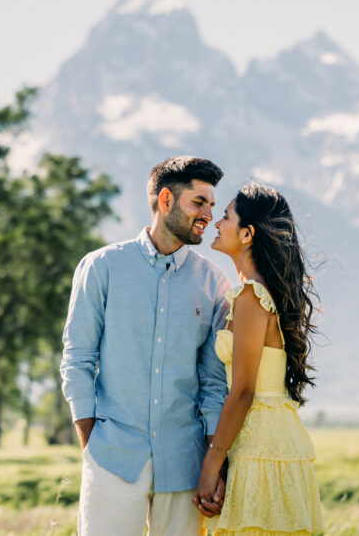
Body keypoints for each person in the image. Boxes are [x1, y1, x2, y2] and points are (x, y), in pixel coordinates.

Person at [61, 156, 233, 536]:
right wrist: (91, 444)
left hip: (185, 463)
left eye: (211, 204)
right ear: (167, 200)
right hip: (113, 457)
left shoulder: (213, 283)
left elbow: (213, 382)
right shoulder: (101, 267)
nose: (208, 214)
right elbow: (78, 359)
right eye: (199, 202)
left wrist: (212, 464)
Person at [196, 183, 324, 535]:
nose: (217, 224)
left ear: (247, 234)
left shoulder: (252, 296)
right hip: (271, 440)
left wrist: (211, 463)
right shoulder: (257, 291)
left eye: (225, 217)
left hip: (259, 445)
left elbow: (243, 391)